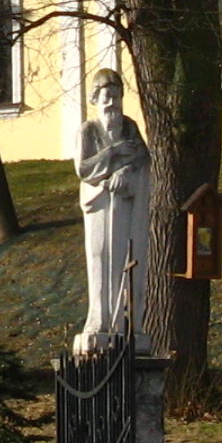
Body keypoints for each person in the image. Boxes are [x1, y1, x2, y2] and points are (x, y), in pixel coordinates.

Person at [74, 67, 149, 355]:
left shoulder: (130, 127)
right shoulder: (89, 130)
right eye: (106, 96)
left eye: (116, 96)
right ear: (96, 98)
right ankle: (100, 320)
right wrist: (114, 154)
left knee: (127, 261)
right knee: (101, 258)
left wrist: (127, 172)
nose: (112, 103)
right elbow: (83, 168)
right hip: (100, 208)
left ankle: (126, 322)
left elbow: (143, 158)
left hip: (127, 206)